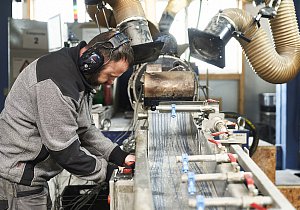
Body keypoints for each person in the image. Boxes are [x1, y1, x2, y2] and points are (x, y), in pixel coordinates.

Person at [0, 30, 135, 210]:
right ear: (92, 61)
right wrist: (108, 172)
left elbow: (85, 130)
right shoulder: (56, 84)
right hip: (18, 181)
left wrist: (119, 156)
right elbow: (66, 152)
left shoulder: (79, 76)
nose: (110, 83)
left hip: (31, 180)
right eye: (110, 75)